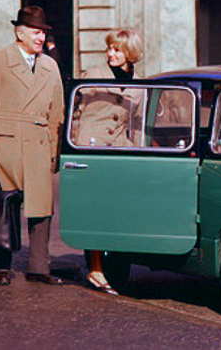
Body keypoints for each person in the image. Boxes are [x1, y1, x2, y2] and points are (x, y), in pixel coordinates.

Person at [0, 6, 64, 286]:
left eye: (43, 32)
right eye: (36, 31)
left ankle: (39, 267)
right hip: (4, 145)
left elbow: (56, 113)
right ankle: (1, 267)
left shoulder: (50, 65)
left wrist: (54, 152)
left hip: (37, 144)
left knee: (41, 211)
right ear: (19, 32)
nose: (41, 37)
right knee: (3, 207)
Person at [77, 28, 143, 294]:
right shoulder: (93, 75)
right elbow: (75, 111)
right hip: (92, 148)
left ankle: (112, 266)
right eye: (109, 49)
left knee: (118, 209)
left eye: (117, 49)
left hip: (119, 150)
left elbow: (137, 125)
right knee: (96, 208)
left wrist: (139, 153)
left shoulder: (140, 82)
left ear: (130, 53)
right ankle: (95, 268)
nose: (111, 54)